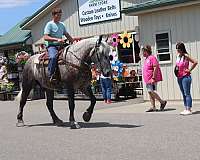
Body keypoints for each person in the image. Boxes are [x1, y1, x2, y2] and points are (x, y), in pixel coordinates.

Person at [43, 7, 73, 82]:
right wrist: (57, 39)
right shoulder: (49, 24)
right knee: (53, 57)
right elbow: (45, 37)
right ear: (53, 15)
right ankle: (50, 74)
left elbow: (66, 34)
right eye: (58, 15)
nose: (60, 17)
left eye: (60, 15)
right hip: (52, 46)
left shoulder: (62, 25)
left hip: (61, 45)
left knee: (72, 54)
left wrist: (73, 41)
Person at [142, 45, 167, 112]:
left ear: (146, 51)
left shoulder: (152, 58)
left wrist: (153, 77)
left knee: (151, 91)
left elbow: (155, 67)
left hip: (152, 78)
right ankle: (153, 107)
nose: (142, 53)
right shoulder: (146, 59)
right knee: (150, 93)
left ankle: (162, 102)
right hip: (147, 79)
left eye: (143, 51)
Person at [175, 42, 198, 115]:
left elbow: (195, 62)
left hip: (186, 77)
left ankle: (189, 109)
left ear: (182, 49)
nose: (177, 50)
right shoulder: (178, 56)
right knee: (183, 93)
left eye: (179, 48)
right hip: (179, 77)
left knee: (187, 93)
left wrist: (189, 70)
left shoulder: (186, 56)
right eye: (177, 49)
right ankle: (186, 108)